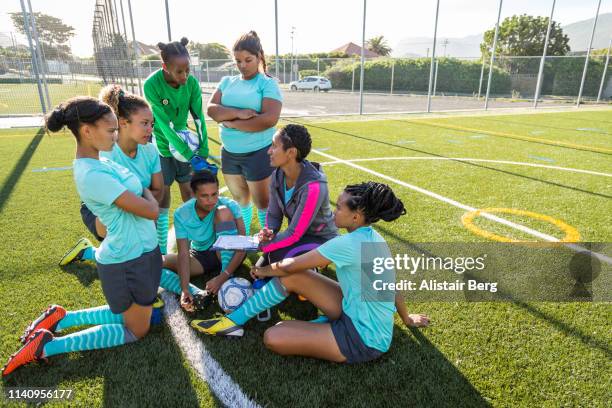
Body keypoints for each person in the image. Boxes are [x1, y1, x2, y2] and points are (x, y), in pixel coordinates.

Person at [3, 97, 162, 376]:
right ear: (87, 131)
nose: (115, 136)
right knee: (138, 330)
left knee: (134, 315)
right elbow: (151, 208)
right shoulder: (92, 174)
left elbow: (146, 196)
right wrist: (146, 196)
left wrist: (145, 197)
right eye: (110, 131)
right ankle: (46, 347)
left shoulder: (103, 163)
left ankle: (61, 318)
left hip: (138, 252)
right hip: (127, 259)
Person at [191, 182, 430, 365]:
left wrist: (262, 270)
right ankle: (233, 322)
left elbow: (291, 265)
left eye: (339, 207)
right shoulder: (374, 239)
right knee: (294, 279)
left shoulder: (345, 244)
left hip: (364, 340)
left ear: (356, 217)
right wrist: (407, 319)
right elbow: (391, 286)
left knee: (274, 336)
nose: (334, 212)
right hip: (355, 312)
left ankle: (323, 329)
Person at [58, 84, 163, 265]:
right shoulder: (106, 154)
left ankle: (88, 251)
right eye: (144, 123)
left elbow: (159, 191)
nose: (150, 129)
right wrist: (144, 205)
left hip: (137, 205)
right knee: (130, 252)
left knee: (146, 255)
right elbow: (141, 204)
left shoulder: (150, 150)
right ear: (123, 123)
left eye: (151, 124)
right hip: (102, 211)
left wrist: (142, 206)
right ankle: (95, 253)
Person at [207, 31, 282, 236]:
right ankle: (246, 239)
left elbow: (268, 119)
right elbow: (212, 109)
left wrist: (231, 124)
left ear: (259, 56)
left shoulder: (266, 83)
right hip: (230, 153)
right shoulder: (226, 82)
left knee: (263, 202)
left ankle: (267, 242)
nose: (242, 65)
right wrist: (238, 114)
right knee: (241, 201)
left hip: (259, 152)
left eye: (248, 60)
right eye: (238, 60)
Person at [144, 37, 214, 255]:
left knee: (190, 192)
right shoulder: (151, 85)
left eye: (187, 70)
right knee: (163, 196)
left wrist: (202, 150)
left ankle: (199, 244)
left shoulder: (191, 84)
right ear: (165, 67)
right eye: (179, 72)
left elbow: (198, 117)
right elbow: (163, 124)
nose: (184, 76)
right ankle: (162, 249)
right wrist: (185, 152)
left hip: (186, 147)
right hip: (163, 146)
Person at [163, 171, 246, 312]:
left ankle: (226, 278)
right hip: (200, 255)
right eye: (204, 196)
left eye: (214, 194)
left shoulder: (230, 205)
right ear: (194, 195)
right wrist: (184, 289)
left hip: (229, 252)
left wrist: (222, 277)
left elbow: (241, 246)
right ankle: (196, 293)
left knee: (223, 212)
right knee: (155, 264)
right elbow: (183, 254)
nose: (211, 200)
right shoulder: (182, 214)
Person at [257, 124, 337, 266]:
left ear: (291, 152)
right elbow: (274, 215)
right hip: (299, 237)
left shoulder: (313, 187)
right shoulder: (277, 175)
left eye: (274, 146)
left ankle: (312, 268)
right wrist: (268, 232)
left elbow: (294, 234)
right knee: (266, 261)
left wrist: (260, 247)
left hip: (322, 240)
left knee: (276, 257)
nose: (269, 151)